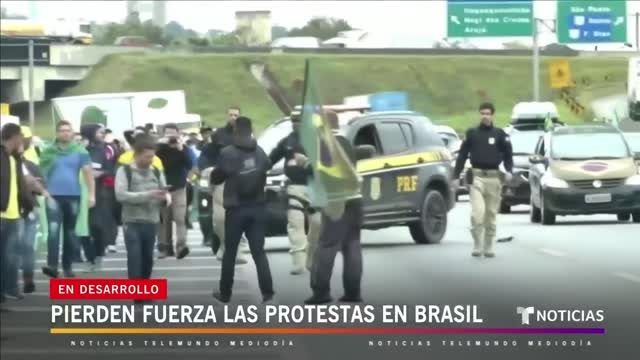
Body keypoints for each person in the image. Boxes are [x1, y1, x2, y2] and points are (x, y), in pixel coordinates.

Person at [298, 111, 364, 305]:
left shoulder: (326, 143)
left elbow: (318, 170)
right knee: (352, 246)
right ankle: (353, 292)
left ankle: (321, 292)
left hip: (336, 201)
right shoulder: (346, 141)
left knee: (326, 246)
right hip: (356, 199)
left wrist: (304, 163)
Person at [210, 116, 274, 304]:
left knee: (230, 252)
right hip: (257, 207)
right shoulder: (259, 151)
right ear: (251, 129)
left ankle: (225, 292)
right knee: (258, 252)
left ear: (236, 131)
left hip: (236, 208)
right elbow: (267, 166)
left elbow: (218, 177)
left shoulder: (227, 153)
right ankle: (267, 291)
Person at [115, 135, 170, 305]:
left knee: (147, 257)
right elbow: (120, 195)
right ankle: (137, 292)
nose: (150, 159)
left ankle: (145, 288)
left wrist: (165, 197)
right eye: (147, 156)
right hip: (131, 220)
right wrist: (148, 195)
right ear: (137, 154)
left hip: (151, 220)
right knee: (134, 255)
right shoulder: (124, 171)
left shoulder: (156, 171)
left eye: (152, 156)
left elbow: (163, 191)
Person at [454, 102, 513, 258]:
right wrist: (455, 176)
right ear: (479, 114)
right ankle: (477, 243)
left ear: (492, 115)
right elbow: (462, 155)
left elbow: (508, 155)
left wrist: (509, 171)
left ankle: (488, 245)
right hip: (477, 177)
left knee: (491, 215)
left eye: (487, 113)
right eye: (482, 113)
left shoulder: (500, 134)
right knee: (477, 214)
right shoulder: (472, 134)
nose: (485, 116)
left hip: (494, 178)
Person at [268, 113, 322, 275]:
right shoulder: (287, 142)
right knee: (295, 224)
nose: (296, 124)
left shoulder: (317, 140)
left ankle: (311, 258)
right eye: (293, 121)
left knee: (317, 224)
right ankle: (299, 262)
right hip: (295, 188)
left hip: (315, 188)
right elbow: (269, 160)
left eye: (299, 121)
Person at [40, 121, 95, 278]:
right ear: (57, 133)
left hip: (73, 196)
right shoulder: (48, 151)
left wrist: (92, 195)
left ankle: (67, 266)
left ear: (72, 133)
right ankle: (52, 265)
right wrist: (42, 191)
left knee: (70, 233)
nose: (65, 133)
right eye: (62, 131)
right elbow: (41, 172)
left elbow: (88, 174)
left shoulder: (80, 151)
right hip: (52, 196)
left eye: (68, 131)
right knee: (53, 230)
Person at [200, 106, 249, 264]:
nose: (233, 117)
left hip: (241, 181)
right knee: (220, 218)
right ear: (227, 116)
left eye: (236, 115)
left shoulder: (246, 135)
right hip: (221, 180)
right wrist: (206, 169)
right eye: (231, 115)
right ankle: (224, 246)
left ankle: (239, 251)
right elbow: (206, 155)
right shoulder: (218, 135)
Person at [1, 123, 34, 304]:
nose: (22, 140)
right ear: (14, 137)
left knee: (10, 257)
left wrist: (28, 205)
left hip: (14, 215)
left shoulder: (15, 159)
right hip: (2, 214)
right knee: (3, 258)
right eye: (20, 136)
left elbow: (20, 186)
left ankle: (9, 289)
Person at [79, 124, 116, 271]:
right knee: (83, 228)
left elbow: (111, 170)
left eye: (103, 133)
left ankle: (99, 255)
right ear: (90, 133)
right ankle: (90, 258)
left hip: (99, 194)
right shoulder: (81, 151)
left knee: (97, 226)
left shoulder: (103, 151)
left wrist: (99, 173)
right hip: (80, 193)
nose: (102, 135)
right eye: (100, 132)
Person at [156, 123, 193, 259]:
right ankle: (166, 248)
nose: (171, 137)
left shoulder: (183, 148)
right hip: (163, 188)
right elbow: (152, 162)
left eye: (173, 134)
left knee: (180, 218)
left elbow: (190, 164)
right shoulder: (159, 148)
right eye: (168, 134)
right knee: (165, 220)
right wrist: (160, 144)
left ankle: (181, 247)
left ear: (178, 134)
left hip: (179, 187)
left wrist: (181, 148)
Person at [18, 126, 47, 293]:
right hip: (11, 211)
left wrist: (32, 185)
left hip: (30, 210)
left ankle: (28, 280)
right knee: (14, 247)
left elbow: (42, 186)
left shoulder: (31, 165)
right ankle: (9, 283)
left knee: (28, 247)